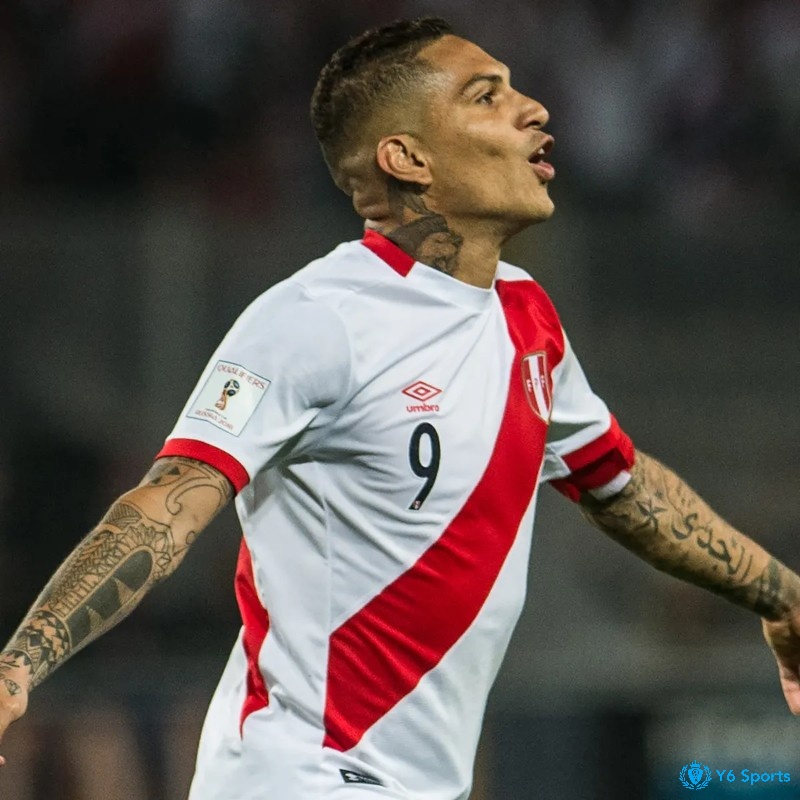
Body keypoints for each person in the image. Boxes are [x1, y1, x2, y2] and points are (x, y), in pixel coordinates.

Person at [1, 16, 798, 800]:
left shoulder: (526, 318)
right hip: (301, 776)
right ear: (407, 157)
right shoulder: (316, 318)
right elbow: (166, 505)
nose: (535, 110)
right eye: (487, 97)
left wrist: (780, 595)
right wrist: (19, 664)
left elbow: (623, 488)